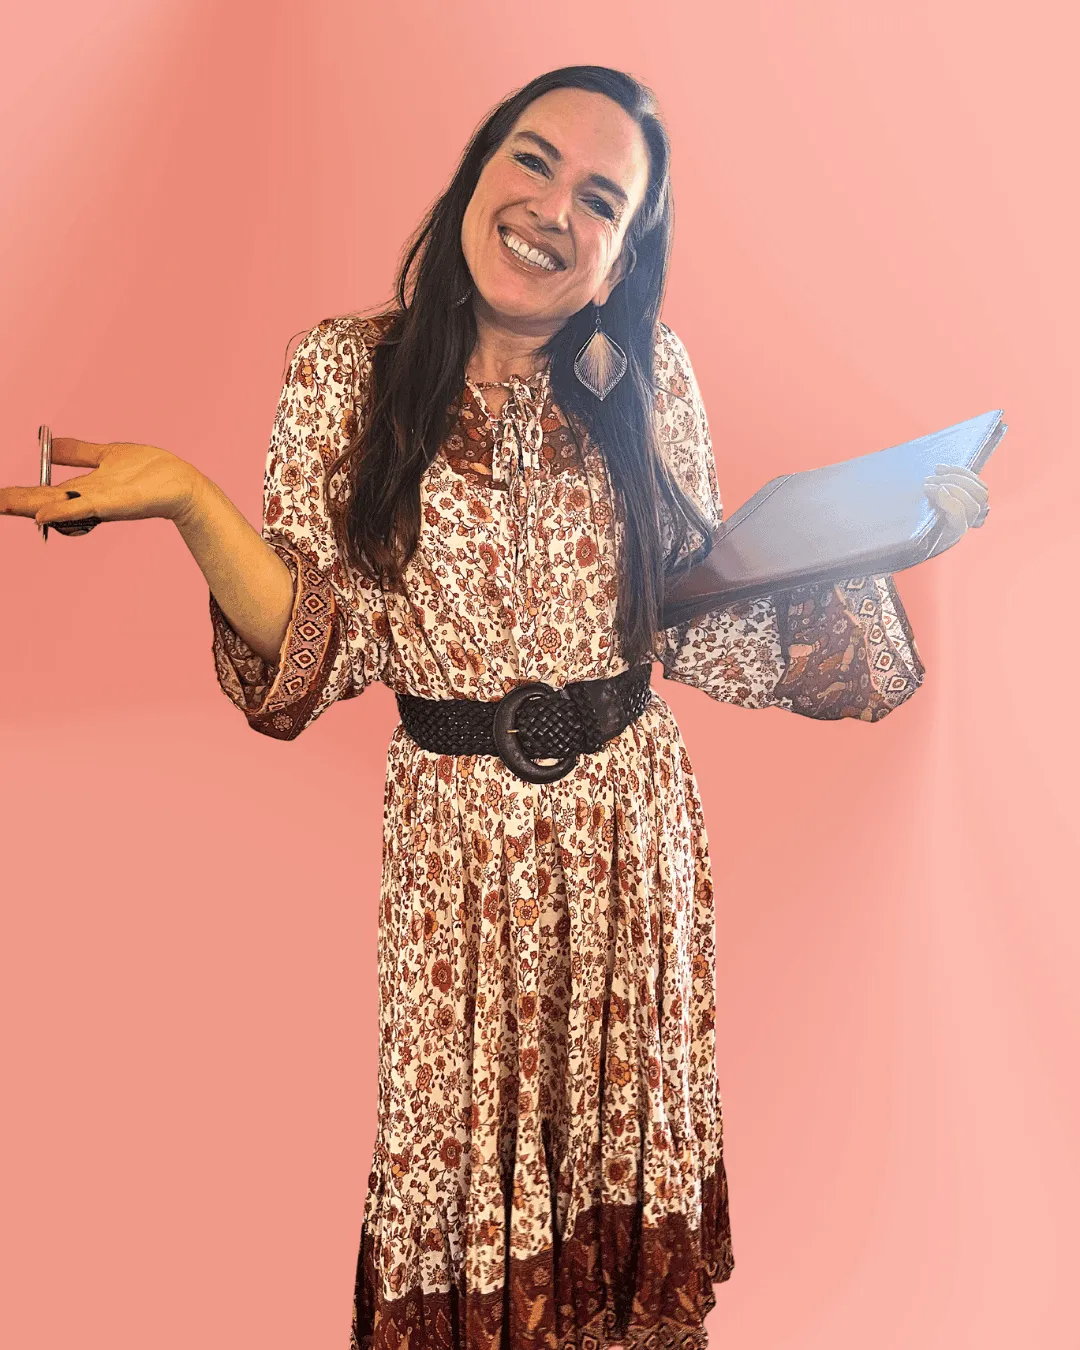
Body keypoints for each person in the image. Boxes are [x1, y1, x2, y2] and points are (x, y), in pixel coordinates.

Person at [1, 65, 988, 1350]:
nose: (551, 210)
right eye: (531, 162)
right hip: (460, 861)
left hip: (631, 843)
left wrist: (875, 546)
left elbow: (687, 612)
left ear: (625, 250)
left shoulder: (649, 377)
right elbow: (323, 640)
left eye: (599, 199)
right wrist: (191, 500)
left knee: (619, 1182)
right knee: (458, 1186)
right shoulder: (341, 371)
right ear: (476, 170)